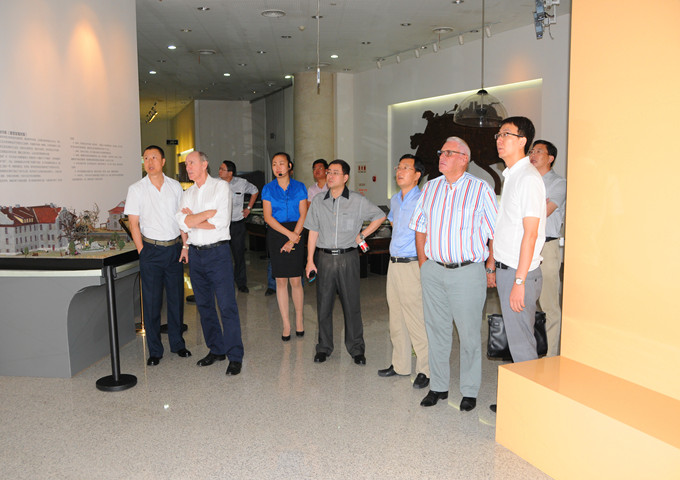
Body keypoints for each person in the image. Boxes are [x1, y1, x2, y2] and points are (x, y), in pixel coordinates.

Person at [410, 137, 497, 411]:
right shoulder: (430, 187)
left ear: (463, 158)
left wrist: (490, 266)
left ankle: (469, 390)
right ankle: (438, 386)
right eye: (441, 151)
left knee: (469, 334)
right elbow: (420, 226)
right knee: (436, 331)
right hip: (433, 270)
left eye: (448, 153)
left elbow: (495, 232)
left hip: (467, 272)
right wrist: (424, 264)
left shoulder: (480, 189)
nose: (441, 156)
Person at [304, 159, 386, 365]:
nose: (330, 176)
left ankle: (356, 349)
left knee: (351, 305)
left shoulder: (357, 200)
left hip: (348, 257)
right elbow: (313, 231)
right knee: (323, 306)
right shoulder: (318, 201)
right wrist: (310, 261)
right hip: (324, 258)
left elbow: (379, 216)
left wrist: (362, 235)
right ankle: (324, 347)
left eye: (335, 172)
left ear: (346, 177)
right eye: (328, 172)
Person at [176, 151, 244, 376]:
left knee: (226, 306)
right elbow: (181, 223)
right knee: (204, 306)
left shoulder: (220, 187)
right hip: (196, 254)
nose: (188, 167)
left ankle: (235, 356)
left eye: (192, 163)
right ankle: (216, 349)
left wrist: (192, 219)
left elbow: (221, 222)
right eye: (186, 164)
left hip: (218, 253)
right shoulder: (187, 193)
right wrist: (204, 216)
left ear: (204, 164)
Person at [124, 145, 191, 366]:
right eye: (146, 158)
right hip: (150, 250)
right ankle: (154, 350)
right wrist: (142, 251)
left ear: (163, 162)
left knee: (175, 300)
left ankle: (178, 344)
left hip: (174, 249)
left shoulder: (175, 186)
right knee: (151, 303)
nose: (150, 161)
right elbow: (133, 224)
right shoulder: (136, 189)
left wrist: (185, 245)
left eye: (154, 157)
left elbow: (181, 219)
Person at [491, 116, 546, 364]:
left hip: (518, 271)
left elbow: (530, 233)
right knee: (517, 341)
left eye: (506, 135)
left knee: (522, 345)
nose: (499, 140)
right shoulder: (513, 175)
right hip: (508, 269)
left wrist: (520, 281)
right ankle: (522, 388)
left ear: (522, 141)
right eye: (499, 135)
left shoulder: (528, 178)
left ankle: (529, 390)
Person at [378, 154, 430, 389]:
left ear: (417, 175)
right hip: (394, 264)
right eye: (398, 167)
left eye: (406, 168)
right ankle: (400, 365)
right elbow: (393, 223)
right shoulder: (396, 199)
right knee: (396, 317)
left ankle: (425, 370)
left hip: (412, 265)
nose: (399, 172)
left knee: (416, 318)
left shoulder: (423, 200)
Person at [261, 152, 308, 341]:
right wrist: (289, 236)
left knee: (296, 279)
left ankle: (299, 320)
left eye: (281, 163)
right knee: (280, 281)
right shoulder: (268, 189)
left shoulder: (300, 187)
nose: (277, 167)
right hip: (277, 233)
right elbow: (268, 217)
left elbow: (304, 213)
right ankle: (286, 324)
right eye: (274, 164)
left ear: (289, 166)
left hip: (297, 230)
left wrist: (294, 236)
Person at [528, 140, 565, 356]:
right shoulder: (525, 181)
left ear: (550, 158)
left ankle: (551, 356)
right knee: (524, 303)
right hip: (525, 245)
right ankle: (528, 354)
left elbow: (544, 212)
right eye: (531, 151)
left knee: (549, 304)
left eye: (538, 151)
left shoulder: (559, 183)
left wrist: (530, 209)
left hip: (546, 247)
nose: (532, 154)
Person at [218, 160, 259, 293]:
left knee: (239, 255)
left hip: (237, 225)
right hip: (221, 226)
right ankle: (225, 283)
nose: (219, 171)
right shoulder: (215, 183)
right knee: (223, 256)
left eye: (222, 169)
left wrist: (249, 208)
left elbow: (255, 191)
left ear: (230, 173)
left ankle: (241, 283)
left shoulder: (241, 183)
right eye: (220, 169)